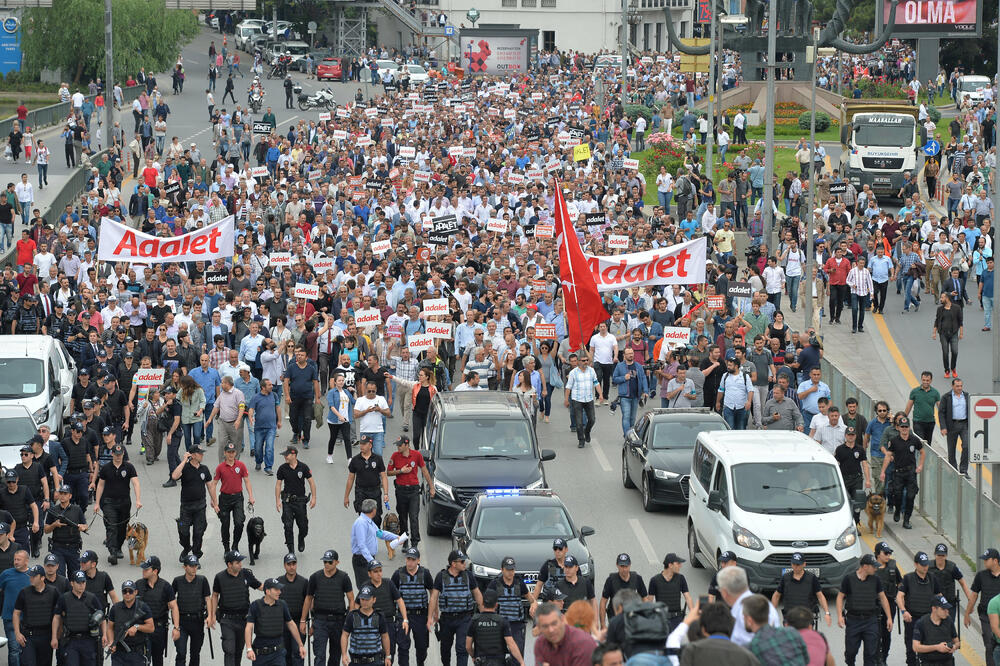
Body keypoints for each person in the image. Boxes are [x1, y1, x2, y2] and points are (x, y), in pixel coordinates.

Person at [836, 554, 894, 666]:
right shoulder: (849, 579)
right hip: (853, 620)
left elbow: (882, 597)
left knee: (871, 653)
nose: (876, 568)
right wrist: (839, 616)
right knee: (851, 652)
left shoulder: (876, 579)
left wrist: (889, 618)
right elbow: (840, 597)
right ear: (865, 567)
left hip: (870, 621)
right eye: (874, 566)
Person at [429, 550, 483, 666]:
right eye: (462, 561)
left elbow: (477, 594)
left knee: (462, 649)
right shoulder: (441, 576)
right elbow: (433, 597)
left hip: (464, 618)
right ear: (453, 564)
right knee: (445, 649)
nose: (465, 564)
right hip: (447, 619)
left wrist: (484, 613)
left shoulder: (468, 576)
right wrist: (431, 617)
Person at [302, 549, 355, 666]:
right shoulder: (315, 577)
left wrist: (349, 620)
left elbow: (351, 599)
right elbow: (308, 598)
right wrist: (303, 620)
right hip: (320, 621)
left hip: (338, 620)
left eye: (330, 562)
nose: (327, 564)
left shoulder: (344, 577)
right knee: (319, 655)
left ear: (337, 562)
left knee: (335, 655)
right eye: (325, 561)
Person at [211, 549, 263, 666]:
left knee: (238, 650)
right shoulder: (219, 577)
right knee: (229, 649)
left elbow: (260, 586)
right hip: (226, 619)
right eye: (237, 562)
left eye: (241, 562)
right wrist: (212, 615)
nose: (241, 564)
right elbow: (215, 595)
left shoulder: (246, 574)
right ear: (229, 564)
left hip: (243, 620)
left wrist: (274, 591)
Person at [92, 445, 140, 566]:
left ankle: (118, 547)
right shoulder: (106, 468)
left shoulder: (129, 467)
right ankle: (112, 552)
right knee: (111, 526)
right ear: (112, 454)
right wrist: (97, 503)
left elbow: (135, 483)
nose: (118, 457)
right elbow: (101, 485)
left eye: (120, 454)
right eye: (116, 454)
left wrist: (138, 500)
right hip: (109, 502)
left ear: (123, 454)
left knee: (122, 527)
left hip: (124, 502)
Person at [245, 578, 307, 666]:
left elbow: (291, 624)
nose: (280, 592)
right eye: (276, 589)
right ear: (267, 591)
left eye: (280, 589)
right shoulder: (255, 605)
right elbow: (249, 627)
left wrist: (300, 645)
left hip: (278, 653)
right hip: (260, 654)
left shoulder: (282, 605)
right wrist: (249, 649)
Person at [171, 445, 217, 562]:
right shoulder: (185, 468)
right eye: (199, 453)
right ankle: (186, 548)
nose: (202, 455)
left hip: (200, 506)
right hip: (186, 506)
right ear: (193, 455)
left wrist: (215, 502)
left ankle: (195, 557)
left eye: (202, 453)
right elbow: (174, 476)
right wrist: (184, 460)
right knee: (184, 531)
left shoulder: (204, 469)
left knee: (198, 532)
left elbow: (210, 486)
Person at [53, 569, 106, 666]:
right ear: (72, 583)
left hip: (88, 640)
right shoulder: (64, 598)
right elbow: (56, 617)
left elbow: (102, 617)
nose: (82, 585)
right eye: (78, 582)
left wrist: (104, 635)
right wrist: (54, 637)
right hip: (71, 640)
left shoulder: (92, 598)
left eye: (83, 582)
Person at [880, 417, 925, 530]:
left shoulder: (914, 440)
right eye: (902, 427)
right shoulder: (894, 441)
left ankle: (906, 520)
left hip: (910, 472)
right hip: (898, 473)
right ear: (899, 428)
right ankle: (898, 510)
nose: (904, 429)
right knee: (898, 495)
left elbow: (922, 452)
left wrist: (920, 465)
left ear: (909, 428)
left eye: (906, 427)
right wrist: (883, 472)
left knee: (910, 496)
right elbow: (888, 456)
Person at [211, 442, 255, 553]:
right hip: (225, 499)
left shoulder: (241, 466)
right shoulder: (220, 467)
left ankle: (235, 545)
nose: (231, 454)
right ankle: (226, 548)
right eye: (229, 452)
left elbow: (247, 481)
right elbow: (214, 484)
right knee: (225, 525)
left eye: (233, 452)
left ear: (236, 453)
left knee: (239, 523)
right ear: (225, 453)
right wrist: (215, 502)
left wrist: (251, 496)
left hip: (237, 498)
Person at [743, 594, 809, 666]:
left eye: (744, 616)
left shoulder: (751, 648)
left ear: (749, 620)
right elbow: (806, 660)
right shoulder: (792, 632)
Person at [136, 555, 179, 666]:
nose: (143, 571)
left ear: (155, 571)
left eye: (146, 569)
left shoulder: (165, 586)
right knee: (141, 659)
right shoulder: (138, 585)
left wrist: (176, 628)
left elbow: (174, 606)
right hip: (142, 627)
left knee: (157, 658)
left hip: (158, 628)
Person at [13, 563, 59, 666]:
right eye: (30, 576)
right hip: (28, 637)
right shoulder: (24, 592)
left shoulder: (53, 592)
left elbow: (58, 615)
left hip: (46, 636)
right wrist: (17, 633)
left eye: (34, 576)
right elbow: (16, 613)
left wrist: (55, 636)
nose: (31, 578)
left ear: (42, 578)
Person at [349, 499, 399, 593]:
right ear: (374, 510)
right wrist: (372, 561)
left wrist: (397, 537)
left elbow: (380, 533)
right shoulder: (361, 523)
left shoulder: (369, 522)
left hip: (368, 559)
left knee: (372, 588)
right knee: (365, 589)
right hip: (362, 560)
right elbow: (361, 545)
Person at [466, 589, 526, 666]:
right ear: (496, 605)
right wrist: (521, 662)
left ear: (482, 603)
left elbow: (468, 646)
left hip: (481, 661)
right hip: (499, 662)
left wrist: (473, 656)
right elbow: (511, 644)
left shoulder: (474, 621)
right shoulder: (502, 621)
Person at [171, 554, 212, 666]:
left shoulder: (202, 580)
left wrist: (209, 616)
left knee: (195, 654)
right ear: (184, 567)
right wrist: (175, 625)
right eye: (191, 566)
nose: (194, 568)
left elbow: (208, 599)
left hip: (197, 621)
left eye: (196, 566)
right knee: (181, 653)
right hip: (181, 622)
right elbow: (171, 601)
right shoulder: (177, 581)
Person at [771, 553, 831, 627]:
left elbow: (820, 596)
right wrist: (772, 613)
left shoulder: (811, 578)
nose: (795, 567)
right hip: (790, 618)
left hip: (806, 618)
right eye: (793, 564)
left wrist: (827, 613)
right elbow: (776, 595)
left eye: (798, 565)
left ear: (804, 564)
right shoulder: (785, 578)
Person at [274, 446, 316, 554]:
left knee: (303, 526)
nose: (285, 457)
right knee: (288, 526)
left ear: (294, 455)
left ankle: (301, 538)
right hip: (287, 501)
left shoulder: (303, 467)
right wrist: (277, 500)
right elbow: (278, 485)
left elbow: (311, 482)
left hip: (300, 501)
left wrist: (314, 498)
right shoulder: (282, 468)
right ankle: (291, 550)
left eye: (286, 455)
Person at [344, 436, 390, 530]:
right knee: (363, 519)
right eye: (361, 443)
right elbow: (350, 478)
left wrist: (386, 493)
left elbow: (383, 476)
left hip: (375, 492)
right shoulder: (355, 460)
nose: (361, 446)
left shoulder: (377, 459)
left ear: (370, 445)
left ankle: (372, 535)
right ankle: (365, 540)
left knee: (376, 518)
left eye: (364, 444)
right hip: (361, 492)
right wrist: (346, 496)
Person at [964, 547, 1000, 666]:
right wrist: (967, 614)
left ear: (995, 561)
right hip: (986, 616)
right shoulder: (981, 575)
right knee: (989, 645)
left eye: (986, 559)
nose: (984, 562)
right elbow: (974, 595)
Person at [340, 585, 392, 666]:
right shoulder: (352, 616)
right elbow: (344, 635)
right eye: (362, 599)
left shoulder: (379, 616)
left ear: (374, 599)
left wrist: (388, 656)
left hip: (375, 661)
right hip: (356, 661)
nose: (364, 602)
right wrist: (344, 654)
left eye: (367, 599)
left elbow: (384, 636)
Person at [532, 601, 597, 666]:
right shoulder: (540, 643)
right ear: (539, 627)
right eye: (545, 626)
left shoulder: (583, 643)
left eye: (554, 623)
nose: (551, 630)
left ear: (562, 620)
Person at [107, 577, 154, 664]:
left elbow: (151, 627)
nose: (127, 594)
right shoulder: (115, 608)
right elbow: (110, 627)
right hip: (119, 653)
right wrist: (111, 642)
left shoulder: (143, 607)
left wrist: (137, 627)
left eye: (130, 591)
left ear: (135, 592)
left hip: (136, 652)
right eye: (125, 591)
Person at [44, 484, 87, 577]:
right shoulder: (53, 510)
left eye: (65, 494)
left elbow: (85, 525)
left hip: (73, 547)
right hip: (58, 547)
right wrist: (54, 525)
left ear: (70, 496)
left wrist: (82, 527)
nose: (62, 496)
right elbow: (46, 530)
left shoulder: (77, 509)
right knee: (60, 576)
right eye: (61, 493)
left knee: (74, 576)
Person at [283, 346, 321, 449]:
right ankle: (296, 432)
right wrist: (287, 396)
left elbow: (315, 382)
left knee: (307, 419)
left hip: (307, 398)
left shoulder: (311, 368)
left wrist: (317, 398)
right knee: (293, 418)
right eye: (298, 355)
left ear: (306, 357)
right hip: (294, 397)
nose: (299, 356)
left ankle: (306, 439)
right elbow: (286, 381)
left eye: (301, 355)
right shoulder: (291, 367)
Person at [598, 552, 647, 630]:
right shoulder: (611, 580)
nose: (624, 569)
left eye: (626, 566)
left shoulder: (637, 579)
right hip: (615, 620)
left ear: (630, 565)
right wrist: (603, 625)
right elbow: (603, 602)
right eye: (622, 566)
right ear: (617, 565)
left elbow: (645, 599)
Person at [929, 543, 972, 631]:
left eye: (943, 555)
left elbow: (962, 583)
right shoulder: (928, 567)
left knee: (948, 628)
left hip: (949, 605)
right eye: (938, 555)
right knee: (933, 628)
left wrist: (970, 600)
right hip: (934, 605)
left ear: (946, 556)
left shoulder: (952, 567)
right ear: (934, 554)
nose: (940, 557)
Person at [834, 427, 871, 525]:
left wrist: (868, 480)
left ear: (855, 436)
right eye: (849, 435)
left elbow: (865, 464)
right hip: (844, 479)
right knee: (845, 502)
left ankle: (856, 523)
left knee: (857, 502)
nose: (850, 437)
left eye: (852, 435)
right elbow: (836, 465)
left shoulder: (860, 449)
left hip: (857, 479)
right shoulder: (839, 449)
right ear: (845, 436)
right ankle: (846, 523)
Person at [646, 553, 692, 632]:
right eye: (678, 563)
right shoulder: (655, 580)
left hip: (677, 620)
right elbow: (649, 600)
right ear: (670, 565)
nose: (680, 566)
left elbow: (688, 597)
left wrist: (693, 614)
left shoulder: (681, 578)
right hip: (661, 619)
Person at [874, 541, 902, 666]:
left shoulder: (892, 567)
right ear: (877, 554)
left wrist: (901, 599)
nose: (888, 555)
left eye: (889, 553)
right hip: (873, 605)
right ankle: (875, 657)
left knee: (886, 633)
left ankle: (884, 657)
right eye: (885, 553)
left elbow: (900, 584)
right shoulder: (871, 568)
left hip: (890, 605)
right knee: (874, 633)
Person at [565, 354, 601, 448]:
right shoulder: (573, 372)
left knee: (592, 419)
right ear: (579, 362)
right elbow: (568, 387)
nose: (586, 362)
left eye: (587, 360)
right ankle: (581, 440)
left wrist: (600, 394)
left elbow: (596, 383)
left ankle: (587, 431)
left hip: (589, 399)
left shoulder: (591, 371)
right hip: (577, 399)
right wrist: (566, 399)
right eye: (583, 360)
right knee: (579, 422)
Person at [611, 348, 648, 436]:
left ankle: (630, 434)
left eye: (632, 353)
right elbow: (614, 379)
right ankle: (627, 435)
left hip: (635, 396)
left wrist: (646, 391)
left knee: (632, 418)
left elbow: (643, 378)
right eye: (628, 353)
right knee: (626, 417)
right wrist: (624, 378)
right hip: (624, 396)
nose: (631, 355)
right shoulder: (620, 366)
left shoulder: (638, 366)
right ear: (624, 355)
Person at [938, 377, 971, 478]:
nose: (959, 388)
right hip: (951, 425)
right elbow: (941, 413)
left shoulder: (966, 396)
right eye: (957, 386)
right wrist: (943, 427)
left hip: (964, 424)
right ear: (952, 386)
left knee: (966, 446)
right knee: (951, 449)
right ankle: (953, 470)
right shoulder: (946, 397)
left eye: (961, 386)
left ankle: (963, 470)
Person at [913, 596, 960, 665]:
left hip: (947, 662)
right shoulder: (921, 623)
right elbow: (916, 647)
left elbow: (957, 642)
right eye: (943, 609)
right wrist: (937, 647)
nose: (947, 611)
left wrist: (954, 647)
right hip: (929, 662)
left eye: (947, 608)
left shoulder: (949, 621)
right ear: (934, 609)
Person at [249, 379, 282, 474]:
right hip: (259, 427)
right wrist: (250, 417)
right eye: (269, 385)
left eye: (271, 384)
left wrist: (279, 421)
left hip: (271, 427)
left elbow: (278, 408)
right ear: (263, 387)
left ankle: (268, 467)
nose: (272, 386)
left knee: (269, 447)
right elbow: (251, 409)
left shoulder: (274, 396)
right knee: (258, 448)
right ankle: (258, 461)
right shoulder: (255, 397)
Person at [931, 293, 963, 378]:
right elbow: (937, 321)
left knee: (955, 351)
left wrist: (961, 333)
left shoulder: (957, 308)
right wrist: (934, 332)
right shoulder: (940, 309)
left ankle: (953, 368)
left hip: (954, 334)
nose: (941, 299)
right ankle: (947, 370)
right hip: (943, 334)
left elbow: (960, 321)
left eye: (942, 297)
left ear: (947, 298)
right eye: (940, 297)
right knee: (945, 353)